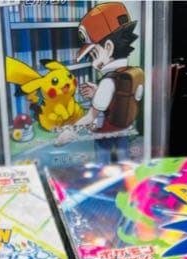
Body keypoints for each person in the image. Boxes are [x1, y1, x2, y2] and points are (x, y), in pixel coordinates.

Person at [74, 2, 144, 162]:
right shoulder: (130, 72)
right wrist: (97, 92)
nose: (92, 62)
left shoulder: (107, 82)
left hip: (105, 132)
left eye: (93, 55)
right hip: (124, 128)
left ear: (108, 47)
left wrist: (69, 130)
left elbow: (90, 117)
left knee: (103, 162)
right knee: (124, 158)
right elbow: (118, 98)